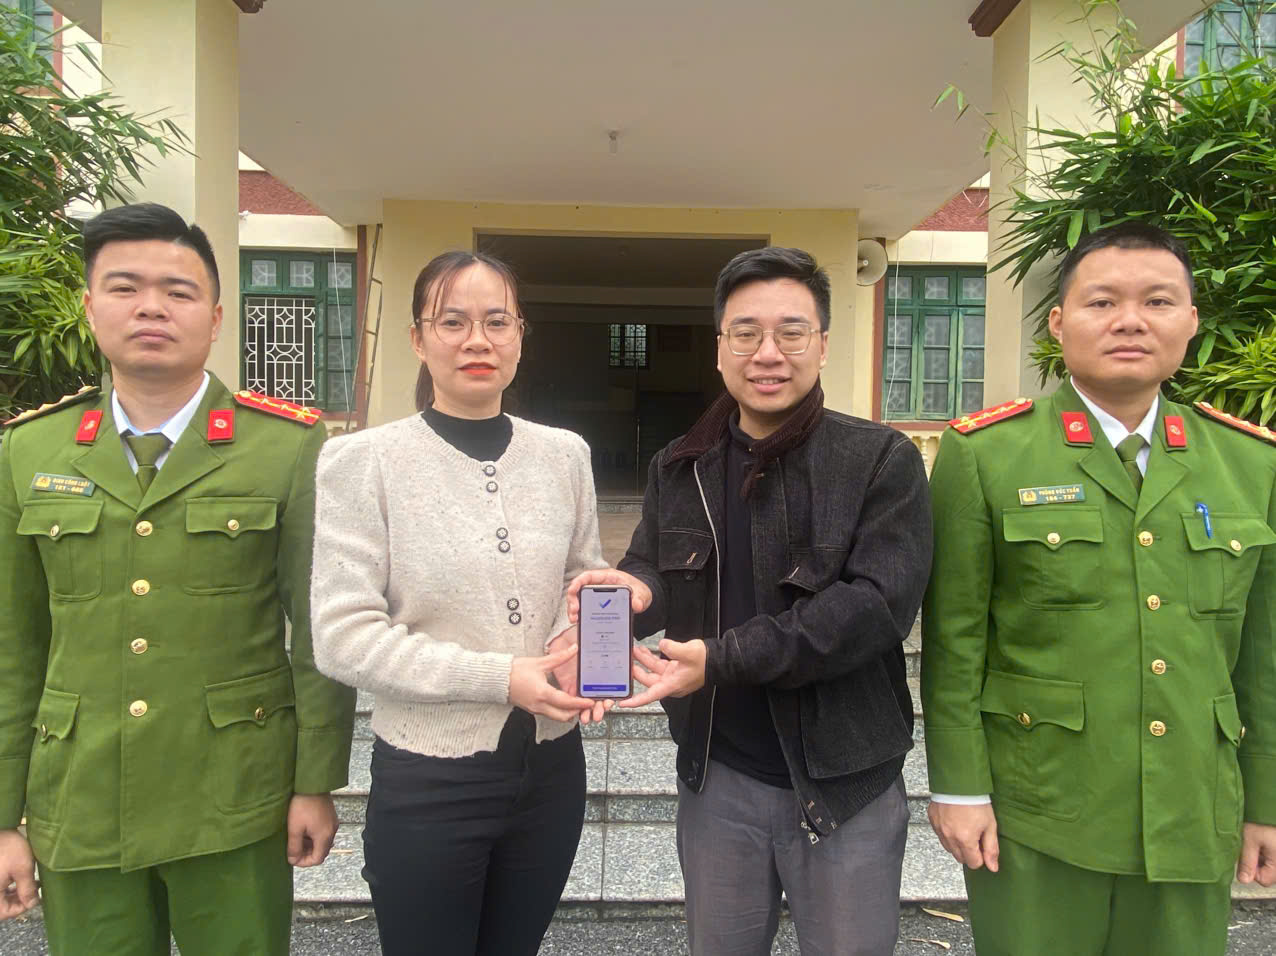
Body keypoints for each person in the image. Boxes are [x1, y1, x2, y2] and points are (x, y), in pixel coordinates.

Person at [0, 202, 355, 955]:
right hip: (80, 794)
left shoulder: (285, 446)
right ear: (90, 307)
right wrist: (3, 818)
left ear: (216, 318)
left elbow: (319, 627)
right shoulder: (30, 451)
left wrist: (315, 780)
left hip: (233, 794)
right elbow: (13, 644)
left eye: (178, 291)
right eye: (125, 287)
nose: (152, 307)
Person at [922, 222, 1276, 955]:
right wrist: (958, 787)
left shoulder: (1249, 463)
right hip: (1039, 807)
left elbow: (1264, 656)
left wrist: (1266, 798)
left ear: (1191, 321)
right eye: (1102, 302)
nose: (1130, 321)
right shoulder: (988, 452)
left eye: (1157, 301)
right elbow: (955, 640)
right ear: (1059, 323)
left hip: (1192, 802)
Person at [569, 246, 933, 955]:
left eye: (791, 332)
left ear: (822, 343)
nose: (768, 353)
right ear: (720, 349)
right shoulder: (680, 465)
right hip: (719, 777)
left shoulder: (880, 461)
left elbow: (874, 608)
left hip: (845, 781)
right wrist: (634, 593)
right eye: (746, 333)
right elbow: (655, 568)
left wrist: (721, 658)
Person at [310, 250, 608, 956]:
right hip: (429, 778)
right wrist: (502, 677)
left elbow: (584, 579)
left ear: (520, 335)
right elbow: (342, 636)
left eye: (497, 322)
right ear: (419, 338)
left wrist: (588, 650)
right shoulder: (363, 462)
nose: (478, 340)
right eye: (453, 322)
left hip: (551, 770)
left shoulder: (565, 455)